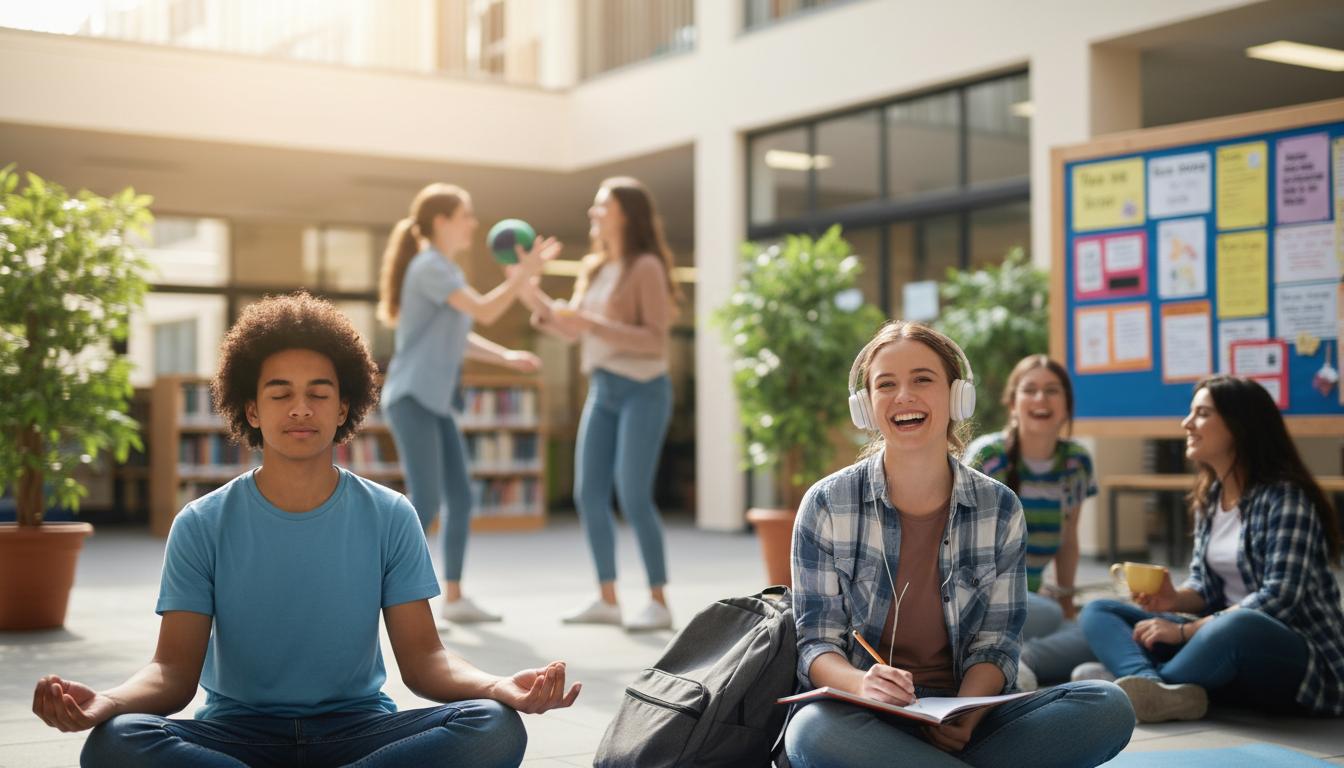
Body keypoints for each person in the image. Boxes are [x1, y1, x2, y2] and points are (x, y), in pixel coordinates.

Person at [32, 293, 580, 767]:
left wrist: (497, 687)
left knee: (494, 725)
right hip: (235, 737)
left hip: (360, 733)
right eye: (280, 394)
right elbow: (171, 675)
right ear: (250, 408)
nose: (301, 409)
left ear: (344, 407)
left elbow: (424, 662)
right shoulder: (201, 523)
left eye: (319, 393)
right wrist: (106, 703)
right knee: (117, 742)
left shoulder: (391, 514)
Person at [784, 321, 1133, 768]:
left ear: (956, 396)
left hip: (961, 714)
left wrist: (966, 713)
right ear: (866, 407)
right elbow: (815, 643)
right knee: (813, 731)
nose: (903, 396)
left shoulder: (1000, 507)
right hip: (863, 713)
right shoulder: (826, 504)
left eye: (922, 379)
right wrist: (862, 684)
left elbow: (997, 643)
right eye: (886, 384)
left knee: (1107, 705)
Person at [1080, 375, 1344, 723]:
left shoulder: (1286, 499)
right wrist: (1174, 600)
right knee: (1098, 610)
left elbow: (1280, 599)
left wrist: (1186, 631)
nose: (1187, 423)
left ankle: (1134, 680)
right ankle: (1150, 685)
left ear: (1239, 426)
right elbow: (1206, 586)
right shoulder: (1211, 497)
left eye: (1202, 414)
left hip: (1290, 655)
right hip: (1221, 641)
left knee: (1240, 625)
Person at [377, 182, 560, 623]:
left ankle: (454, 597)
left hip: (434, 401)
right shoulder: (429, 267)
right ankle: (385, 591)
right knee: (426, 500)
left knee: (459, 497)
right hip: (412, 397)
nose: (474, 225)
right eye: (466, 216)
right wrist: (523, 274)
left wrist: (505, 357)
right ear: (441, 222)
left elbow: (461, 333)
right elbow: (484, 311)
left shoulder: (444, 269)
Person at [526, 176, 680, 632]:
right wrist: (531, 291)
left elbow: (654, 341)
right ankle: (607, 598)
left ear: (626, 215)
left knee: (632, 494)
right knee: (588, 493)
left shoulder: (646, 267)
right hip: (604, 388)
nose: (593, 213)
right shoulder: (595, 268)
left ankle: (658, 600)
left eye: (602, 206)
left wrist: (589, 321)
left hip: (644, 389)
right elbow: (574, 329)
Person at [964, 355, 1098, 686]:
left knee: (1094, 626)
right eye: (1030, 390)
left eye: (1052, 390)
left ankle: (1018, 663)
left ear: (1067, 404)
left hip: (1036, 602)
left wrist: (1066, 600)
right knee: (1052, 617)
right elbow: (962, 546)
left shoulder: (1076, 462)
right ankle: (1008, 663)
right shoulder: (988, 457)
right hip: (979, 602)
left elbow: (1068, 541)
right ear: (1013, 403)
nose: (1041, 399)